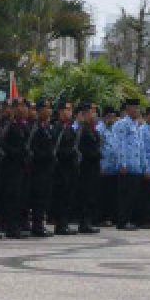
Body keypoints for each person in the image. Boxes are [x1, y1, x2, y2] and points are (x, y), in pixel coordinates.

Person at [0, 99, 30, 238]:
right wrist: (16, 152)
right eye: (19, 107)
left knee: (20, 196)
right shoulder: (9, 126)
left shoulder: (23, 126)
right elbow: (1, 145)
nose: (23, 109)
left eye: (24, 106)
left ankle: (17, 224)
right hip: (10, 167)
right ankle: (10, 226)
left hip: (21, 166)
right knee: (11, 196)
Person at [26, 99, 55, 238]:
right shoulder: (35, 127)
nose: (49, 110)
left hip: (47, 168)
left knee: (44, 197)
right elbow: (32, 148)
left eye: (50, 108)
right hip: (37, 168)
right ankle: (36, 226)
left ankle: (40, 224)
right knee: (37, 198)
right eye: (46, 107)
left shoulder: (47, 127)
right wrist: (45, 155)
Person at [51, 100, 81, 235]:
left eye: (70, 110)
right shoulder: (58, 128)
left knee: (69, 195)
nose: (69, 112)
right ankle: (60, 224)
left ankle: (65, 222)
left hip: (70, 168)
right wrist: (69, 153)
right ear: (60, 112)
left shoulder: (69, 128)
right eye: (67, 110)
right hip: (61, 168)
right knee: (61, 197)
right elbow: (56, 149)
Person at [114, 98, 144, 231]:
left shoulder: (136, 124)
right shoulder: (122, 124)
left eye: (138, 108)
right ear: (127, 110)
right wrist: (122, 163)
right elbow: (119, 145)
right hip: (126, 166)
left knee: (133, 195)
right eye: (134, 108)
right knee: (125, 195)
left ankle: (129, 220)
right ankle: (122, 221)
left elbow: (138, 146)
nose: (137, 111)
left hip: (136, 165)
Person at [74, 103, 101, 234]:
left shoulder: (93, 130)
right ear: (85, 115)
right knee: (85, 196)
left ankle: (88, 221)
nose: (94, 115)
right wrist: (95, 154)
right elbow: (81, 150)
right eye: (92, 112)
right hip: (85, 168)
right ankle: (84, 223)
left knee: (92, 196)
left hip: (94, 167)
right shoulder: (82, 130)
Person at [96, 107, 119, 226]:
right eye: (109, 116)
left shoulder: (114, 129)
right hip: (103, 166)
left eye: (113, 116)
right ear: (104, 117)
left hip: (113, 167)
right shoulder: (99, 129)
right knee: (102, 195)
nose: (112, 119)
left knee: (112, 194)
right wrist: (100, 165)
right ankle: (101, 218)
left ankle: (110, 216)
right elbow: (99, 148)